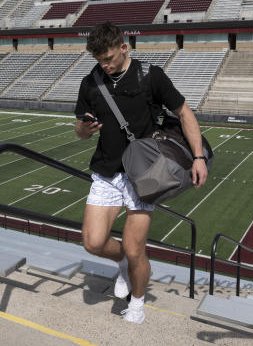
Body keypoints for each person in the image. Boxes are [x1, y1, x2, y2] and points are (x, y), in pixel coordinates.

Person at [74, 22, 208, 324]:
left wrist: (198, 157)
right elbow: (81, 132)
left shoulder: (151, 75)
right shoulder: (91, 82)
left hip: (144, 173)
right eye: (99, 60)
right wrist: (83, 128)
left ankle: (137, 303)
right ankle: (121, 261)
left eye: (108, 58)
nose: (104, 65)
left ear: (124, 47)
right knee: (93, 243)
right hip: (107, 171)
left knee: (136, 250)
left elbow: (185, 113)